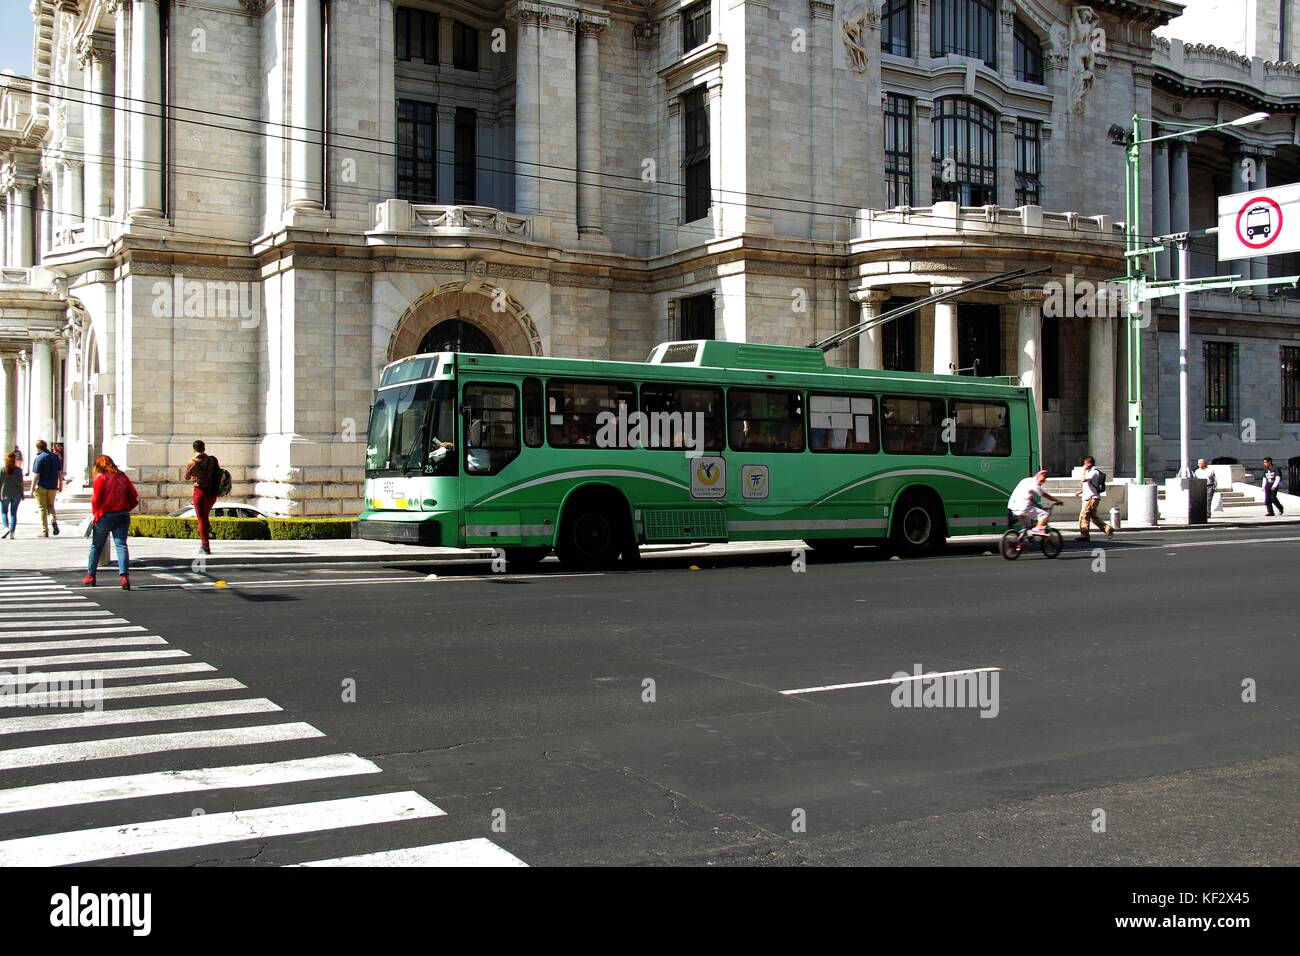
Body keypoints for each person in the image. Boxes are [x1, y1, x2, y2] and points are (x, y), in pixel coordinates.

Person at [82, 455, 139, 590]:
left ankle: (91, 575)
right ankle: (124, 576)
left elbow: (96, 500)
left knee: (97, 545)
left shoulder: (101, 479)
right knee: (121, 545)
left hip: (105, 515)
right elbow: (133, 494)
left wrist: (96, 514)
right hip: (122, 514)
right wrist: (126, 508)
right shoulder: (122, 477)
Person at [183, 439, 221, 555]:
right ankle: (206, 540)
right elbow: (219, 473)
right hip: (212, 492)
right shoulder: (213, 460)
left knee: (201, 519)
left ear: (194, 449)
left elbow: (186, 477)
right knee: (205, 517)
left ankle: (205, 546)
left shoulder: (191, 463)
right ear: (204, 448)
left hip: (199, 492)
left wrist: (196, 476)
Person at [1008, 468, 1063, 535]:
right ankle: (1037, 529)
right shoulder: (1035, 484)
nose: (1042, 483)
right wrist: (1057, 501)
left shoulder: (1026, 480)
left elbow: (1026, 495)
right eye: (1042, 480)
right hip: (1023, 508)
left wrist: (1034, 502)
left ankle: (1021, 540)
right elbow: (1044, 495)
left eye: (1043, 481)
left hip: (1013, 507)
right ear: (1038, 476)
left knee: (1027, 528)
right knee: (1044, 515)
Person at [1075, 455, 1113, 541]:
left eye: (1085, 464)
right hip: (1090, 496)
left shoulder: (1094, 472)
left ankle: (1084, 535)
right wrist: (1080, 491)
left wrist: (1084, 470)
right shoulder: (1090, 472)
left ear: (1090, 463)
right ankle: (1108, 529)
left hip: (1091, 498)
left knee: (1083, 516)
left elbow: (1083, 480)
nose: (1084, 465)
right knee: (1092, 517)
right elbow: (1088, 485)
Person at [30, 439, 61, 537]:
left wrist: (32, 488)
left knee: (42, 508)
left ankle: (45, 530)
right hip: (53, 486)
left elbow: (36, 475)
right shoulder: (55, 457)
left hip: (42, 486)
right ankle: (53, 520)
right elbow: (59, 472)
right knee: (51, 505)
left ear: (38, 448)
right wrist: (60, 484)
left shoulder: (39, 458)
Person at [0, 451, 22, 539]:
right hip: (16, 494)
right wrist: (22, 494)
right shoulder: (19, 470)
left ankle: (6, 528)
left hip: (4, 494)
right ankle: (12, 533)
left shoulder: (2, 470)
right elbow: (21, 483)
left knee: (4, 512)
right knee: (13, 514)